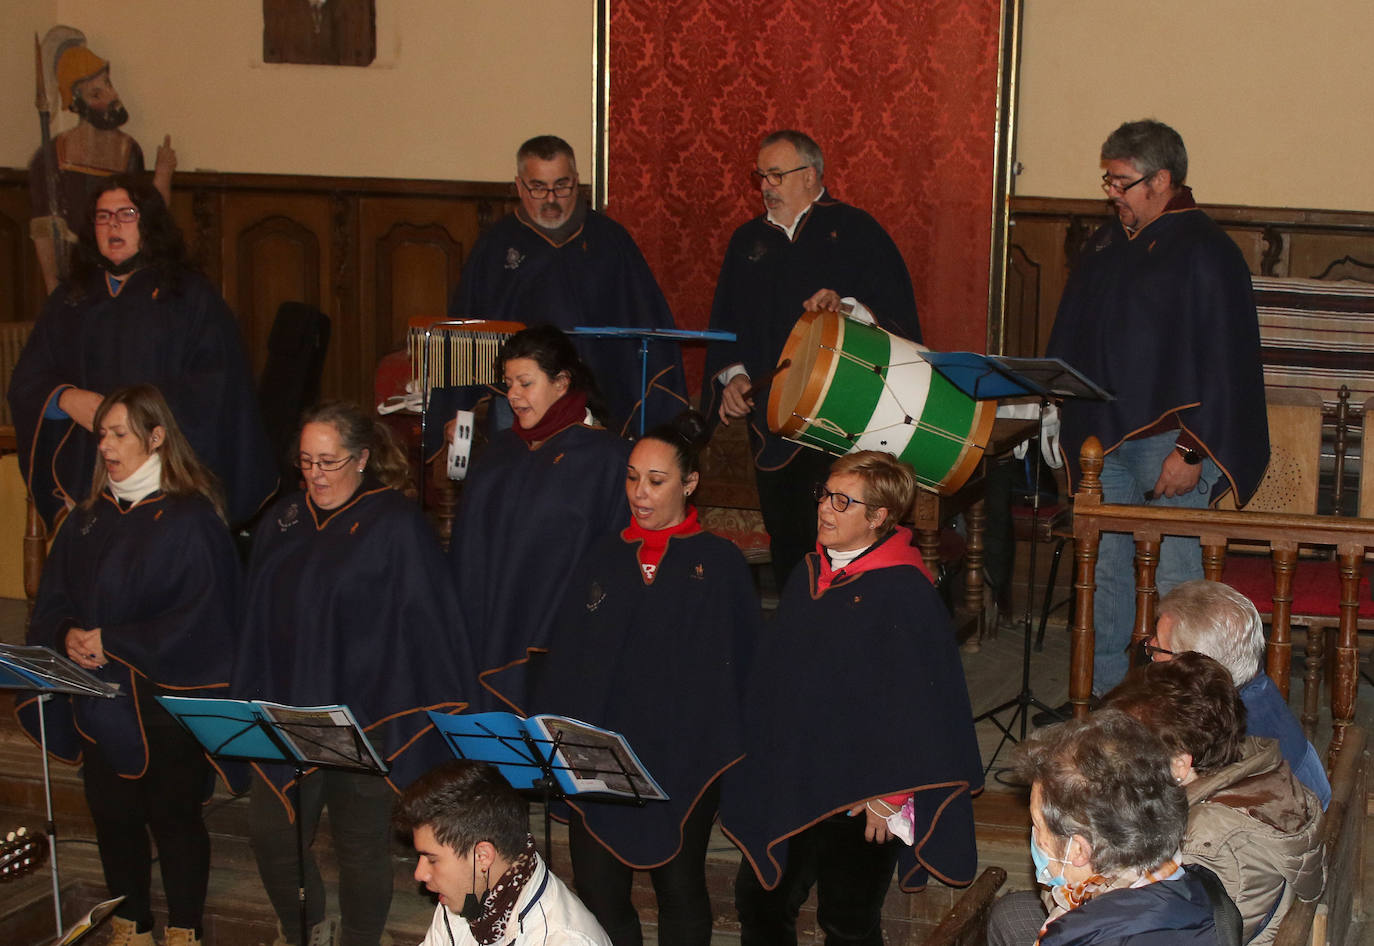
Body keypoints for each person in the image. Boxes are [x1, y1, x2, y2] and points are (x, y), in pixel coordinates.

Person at [1041, 119, 1269, 706]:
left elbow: (1227, 360)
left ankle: (1190, 711)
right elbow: (1078, 335)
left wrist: (1193, 448)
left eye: (1122, 182)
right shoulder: (1105, 244)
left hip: (1172, 446)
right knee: (1109, 577)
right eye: (1108, 181)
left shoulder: (1208, 249)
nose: (1111, 194)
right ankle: (1101, 706)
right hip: (1103, 444)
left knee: (1180, 588)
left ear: (1162, 179)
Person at [233, 401, 477, 946]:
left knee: (360, 843)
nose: (315, 474)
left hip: (368, 715)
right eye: (305, 462)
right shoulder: (284, 518)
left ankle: (360, 939)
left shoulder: (394, 524)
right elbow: (255, 614)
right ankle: (309, 926)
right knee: (273, 836)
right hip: (287, 706)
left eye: (328, 461)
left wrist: (406, 708)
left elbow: (428, 622)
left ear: (362, 458)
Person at [720, 450, 982, 946]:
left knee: (847, 923)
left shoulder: (906, 591)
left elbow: (925, 706)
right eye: (825, 494)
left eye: (843, 502)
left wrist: (896, 792)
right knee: (760, 903)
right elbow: (777, 681)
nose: (825, 509)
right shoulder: (807, 575)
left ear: (879, 517)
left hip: (866, 795)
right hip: (795, 777)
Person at [16, 385, 241, 946]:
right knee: (113, 821)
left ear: (157, 436)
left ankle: (184, 931)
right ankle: (130, 926)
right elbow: (55, 599)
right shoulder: (88, 519)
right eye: (102, 436)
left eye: (120, 434)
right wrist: (66, 634)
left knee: (175, 821)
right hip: (99, 699)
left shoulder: (192, 517)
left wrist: (113, 639)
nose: (107, 447)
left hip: (165, 698)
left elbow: (207, 615)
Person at [528, 410, 758, 946]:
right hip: (600, 754)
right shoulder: (603, 555)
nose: (640, 492)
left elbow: (740, 671)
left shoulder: (719, 563)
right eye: (632, 478)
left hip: (684, 756)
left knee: (679, 889)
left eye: (656, 481)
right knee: (599, 892)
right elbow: (569, 656)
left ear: (690, 483)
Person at [704, 129, 921, 592]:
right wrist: (735, 379)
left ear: (812, 175)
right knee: (788, 536)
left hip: (841, 416)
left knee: (844, 538)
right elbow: (726, 326)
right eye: (761, 175)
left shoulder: (856, 230)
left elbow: (898, 317)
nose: (767, 185)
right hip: (772, 417)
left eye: (778, 175)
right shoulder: (747, 242)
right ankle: (794, 626)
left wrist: (846, 308)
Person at [9, 175, 277, 532]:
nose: (113, 224)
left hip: (165, 469)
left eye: (127, 213)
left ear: (149, 223)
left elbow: (218, 388)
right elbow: (28, 380)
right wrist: (66, 399)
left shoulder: (190, 297)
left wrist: (136, 421)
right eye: (103, 216)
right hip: (86, 469)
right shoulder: (70, 299)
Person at [447, 134, 687, 436]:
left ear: (577, 181)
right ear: (519, 186)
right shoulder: (495, 247)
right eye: (538, 188)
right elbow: (462, 338)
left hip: (597, 403)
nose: (550, 199)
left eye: (561, 186)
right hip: (515, 403)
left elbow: (648, 325)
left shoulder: (611, 241)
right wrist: (459, 410)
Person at [448, 325, 630, 713]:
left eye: (525, 383)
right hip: (486, 623)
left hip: (557, 641)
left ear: (562, 383)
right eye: (508, 383)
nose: (512, 395)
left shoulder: (606, 458)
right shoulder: (499, 452)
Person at [1104, 654, 1324, 945]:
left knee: (1025, 916)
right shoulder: (1255, 769)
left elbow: (1139, 932)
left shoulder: (1203, 846)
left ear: (1179, 764)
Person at [989, 710, 1240, 946]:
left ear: (1078, 850)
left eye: (1037, 825)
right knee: (1010, 914)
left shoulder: (1073, 937)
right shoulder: (1204, 888)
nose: (1035, 838)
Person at [1149, 579, 1331, 808]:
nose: (1151, 648)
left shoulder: (1223, 737)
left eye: (1159, 648)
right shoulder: (1258, 689)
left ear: (1200, 667)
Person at [395, 761, 612, 946]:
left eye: (432, 859)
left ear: (483, 856)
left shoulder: (561, 939)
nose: (420, 873)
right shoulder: (469, 893)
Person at [30, 31, 176, 293]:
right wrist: (53, 288)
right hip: (76, 278)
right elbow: (44, 230)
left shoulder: (128, 150)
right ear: (77, 103)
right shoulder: (50, 158)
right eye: (97, 94)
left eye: (108, 84)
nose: (111, 96)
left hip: (123, 276)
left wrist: (162, 175)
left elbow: (147, 220)